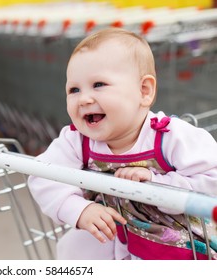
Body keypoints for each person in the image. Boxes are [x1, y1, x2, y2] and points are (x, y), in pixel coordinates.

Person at [27, 28, 217, 260]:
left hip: (173, 239)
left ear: (143, 91)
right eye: (74, 90)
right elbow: (42, 174)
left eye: (98, 84)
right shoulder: (77, 140)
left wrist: (159, 183)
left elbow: (211, 179)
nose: (84, 98)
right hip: (108, 234)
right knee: (74, 250)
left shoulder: (170, 136)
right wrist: (78, 209)